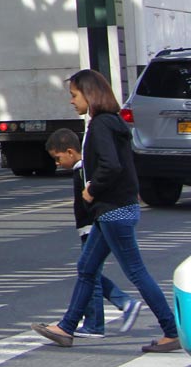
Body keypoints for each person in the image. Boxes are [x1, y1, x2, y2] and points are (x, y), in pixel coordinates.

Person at [33, 69, 179, 354]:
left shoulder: (101, 125)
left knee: (136, 272)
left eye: (74, 95)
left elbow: (111, 166)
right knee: (86, 268)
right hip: (111, 211)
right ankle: (67, 327)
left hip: (113, 210)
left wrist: (91, 190)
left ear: (89, 94)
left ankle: (172, 330)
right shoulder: (109, 122)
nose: (72, 101)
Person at [47, 128, 143, 339]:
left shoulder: (83, 170)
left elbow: (89, 201)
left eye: (57, 158)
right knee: (90, 272)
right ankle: (115, 308)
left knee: (90, 274)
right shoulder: (83, 169)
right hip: (91, 227)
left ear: (71, 152)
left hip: (92, 228)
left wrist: (89, 226)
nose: (57, 163)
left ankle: (99, 320)